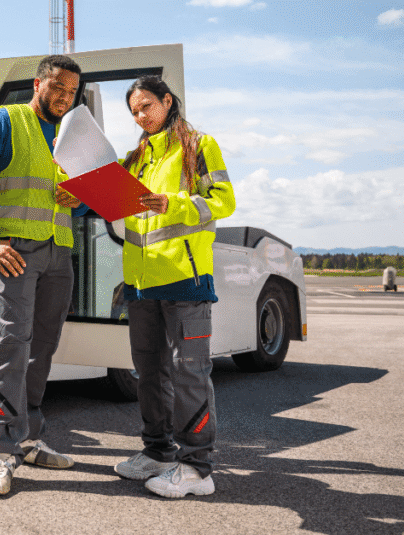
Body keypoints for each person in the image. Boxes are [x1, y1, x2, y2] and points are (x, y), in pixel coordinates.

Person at [0, 55, 89, 496]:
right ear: (39, 84)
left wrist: (80, 200)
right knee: (11, 346)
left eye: (71, 92)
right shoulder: (5, 121)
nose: (64, 97)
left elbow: (88, 195)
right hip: (15, 252)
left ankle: (28, 440)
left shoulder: (72, 135)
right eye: (58, 89)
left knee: (43, 349)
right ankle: (0, 452)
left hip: (59, 253)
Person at [111, 75, 236, 498]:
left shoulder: (199, 146)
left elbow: (223, 199)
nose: (140, 116)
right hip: (142, 284)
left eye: (146, 106)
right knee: (150, 372)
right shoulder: (137, 158)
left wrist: (175, 202)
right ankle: (159, 451)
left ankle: (198, 468)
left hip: (185, 278)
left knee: (189, 374)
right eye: (133, 111)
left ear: (167, 100)